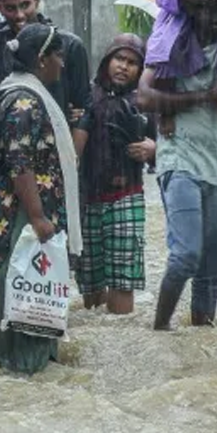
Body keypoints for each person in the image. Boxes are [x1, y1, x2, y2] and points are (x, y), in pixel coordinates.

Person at [137, 0, 217, 330]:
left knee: (214, 270)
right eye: (207, 9)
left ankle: (200, 340)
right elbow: (144, 96)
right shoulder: (171, 46)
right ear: (191, 8)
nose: (215, 18)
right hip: (179, 157)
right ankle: (160, 331)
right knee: (185, 255)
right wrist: (202, 96)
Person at [0, 23, 82, 374]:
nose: (62, 64)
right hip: (24, 219)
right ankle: (23, 374)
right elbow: (19, 161)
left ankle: (25, 373)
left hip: (26, 217)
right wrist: (39, 217)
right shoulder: (25, 101)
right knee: (27, 304)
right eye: (57, 55)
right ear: (41, 60)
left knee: (33, 303)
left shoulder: (24, 93)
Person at [77, 35, 157, 314]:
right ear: (107, 61)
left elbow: (174, 144)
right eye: (119, 59)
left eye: (132, 62)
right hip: (88, 200)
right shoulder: (88, 96)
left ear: (141, 69)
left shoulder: (147, 101)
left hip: (127, 197)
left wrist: (153, 148)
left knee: (123, 281)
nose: (124, 67)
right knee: (90, 282)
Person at [0, 0, 91, 154]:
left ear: (37, 1)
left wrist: (72, 159)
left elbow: (85, 110)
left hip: (59, 146)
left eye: (25, 5)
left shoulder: (69, 46)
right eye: (10, 8)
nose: (20, 15)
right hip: (8, 149)